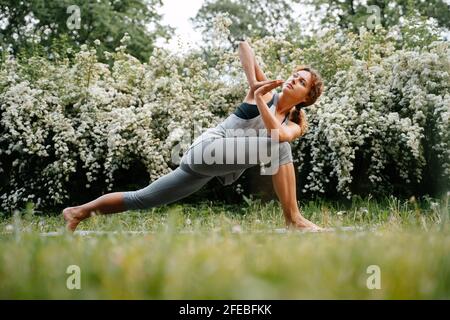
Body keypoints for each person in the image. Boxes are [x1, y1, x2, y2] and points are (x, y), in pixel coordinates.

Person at [63, 40, 324, 232]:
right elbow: (244, 46)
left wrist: (256, 96)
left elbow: (279, 134)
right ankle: (293, 220)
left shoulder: (296, 122)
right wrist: (254, 86)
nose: (293, 80)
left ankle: (77, 212)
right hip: (207, 149)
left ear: (306, 98)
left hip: (205, 170)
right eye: (294, 75)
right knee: (275, 147)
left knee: (143, 198)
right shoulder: (267, 92)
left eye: (301, 83)